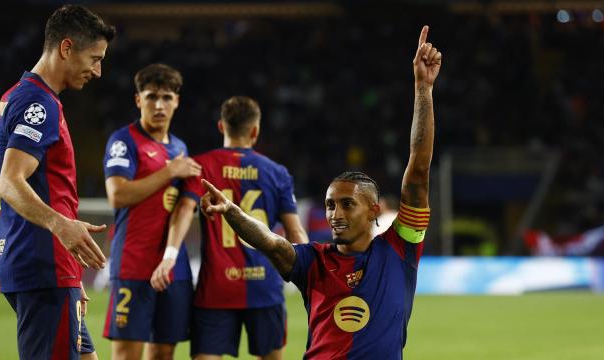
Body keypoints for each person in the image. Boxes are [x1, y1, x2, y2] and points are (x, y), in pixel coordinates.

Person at [198, 26, 441, 359]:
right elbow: (271, 241)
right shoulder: (313, 260)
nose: (335, 214)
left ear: (373, 210)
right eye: (329, 205)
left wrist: (423, 89)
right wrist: (233, 212)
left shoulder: (400, 249)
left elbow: (418, 169)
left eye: (346, 204)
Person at [0, 5, 115, 359]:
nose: (98, 71)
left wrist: (70, 269)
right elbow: (10, 182)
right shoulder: (38, 103)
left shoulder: (16, 94)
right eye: (95, 58)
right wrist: (61, 227)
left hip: (46, 266)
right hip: (43, 267)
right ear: (66, 48)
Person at [150, 96, 308, 359]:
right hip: (264, 288)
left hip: (216, 289)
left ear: (221, 126)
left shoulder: (200, 167)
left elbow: (183, 211)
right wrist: (309, 276)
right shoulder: (276, 172)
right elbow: (295, 232)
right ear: (255, 130)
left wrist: (169, 256)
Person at [102, 63, 201, 360]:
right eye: (151, 97)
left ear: (177, 102)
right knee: (126, 354)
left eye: (167, 97)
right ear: (138, 100)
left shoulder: (179, 148)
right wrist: (170, 171)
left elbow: (182, 206)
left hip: (174, 267)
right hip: (134, 263)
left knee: (162, 353)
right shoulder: (124, 141)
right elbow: (117, 195)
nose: (159, 105)